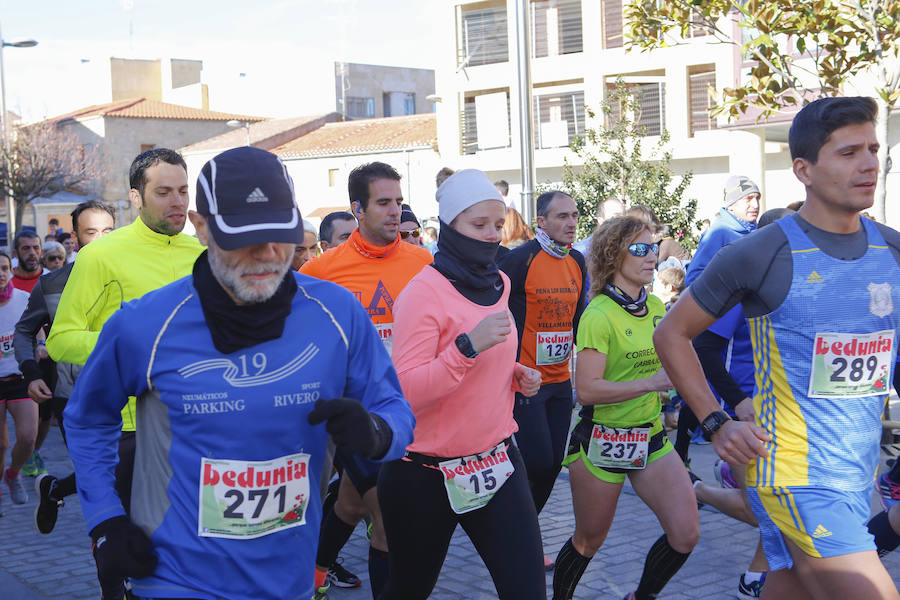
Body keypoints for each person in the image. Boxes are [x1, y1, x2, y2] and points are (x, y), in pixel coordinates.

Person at [62, 146, 415, 600]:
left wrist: (378, 433)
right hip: (177, 580)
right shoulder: (145, 324)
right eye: (245, 237)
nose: (267, 254)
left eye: (280, 235)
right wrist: (105, 520)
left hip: (288, 580)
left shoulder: (337, 313)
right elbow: (89, 418)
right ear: (202, 225)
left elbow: (394, 408)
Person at [654, 96, 900, 599]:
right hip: (792, 476)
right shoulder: (760, 251)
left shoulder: (892, 249)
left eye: (873, 149)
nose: (870, 163)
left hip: (856, 475)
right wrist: (714, 421)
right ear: (803, 169)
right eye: (849, 152)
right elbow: (671, 334)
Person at [379, 168, 545, 599]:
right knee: (409, 591)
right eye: (478, 225)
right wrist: (465, 349)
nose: (491, 235)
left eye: (497, 224)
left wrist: (513, 374)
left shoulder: (501, 282)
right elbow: (407, 389)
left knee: (527, 591)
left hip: (496, 461)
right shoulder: (423, 292)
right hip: (424, 473)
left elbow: (489, 361)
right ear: (450, 227)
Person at [47, 148, 203, 600]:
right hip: (128, 432)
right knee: (127, 563)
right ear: (136, 197)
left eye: (182, 190)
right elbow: (62, 339)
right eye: (163, 192)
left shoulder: (203, 252)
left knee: (184, 552)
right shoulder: (102, 256)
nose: (177, 202)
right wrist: (133, 350)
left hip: (196, 426)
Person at [301, 161, 432, 599]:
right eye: (383, 203)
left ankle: (316, 574)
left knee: (351, 504)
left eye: (398, 202)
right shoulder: (323, 270)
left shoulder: (422, 261)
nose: (395, 211)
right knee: (386, 514)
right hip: (353, 414)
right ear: (357, 208)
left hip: (406, 407)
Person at [553, 215, 699, 600]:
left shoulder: (653, 305)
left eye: (653, 247)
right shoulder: (598, 314)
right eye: (639, 249)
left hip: (648, 437)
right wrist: (651, 383)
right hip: (600, 442)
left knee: (686, 533)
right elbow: (586, 390)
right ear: (613, 255)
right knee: (589, 540)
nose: (651, 256)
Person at [15, 200, 116, 534]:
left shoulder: (132, 277)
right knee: (95, 474)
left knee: (118, 470)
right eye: (91, 232)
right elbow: (24, 330)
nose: (101, 240)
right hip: (70, 394)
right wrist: (30, 374)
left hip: (125, 392)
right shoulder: (52, 283)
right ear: (75, 237)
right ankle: (110, 567)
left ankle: (55, 489)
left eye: (108, 232)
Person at [498, 190, 586, 570]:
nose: (570, 223)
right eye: (562, 216)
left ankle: (519, 535)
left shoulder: (578, 260)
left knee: (552, 465)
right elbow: (495, 312)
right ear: (542, 222)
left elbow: (579, 318)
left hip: (560, 380)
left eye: (574, 216)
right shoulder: (520, 260)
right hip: (526, 380)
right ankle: (513, 534)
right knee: (538, 460)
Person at [0, 250, 36, 510]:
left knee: (27, 437)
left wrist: (42, 344)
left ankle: (13, 474)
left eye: (3, 268)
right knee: (0, 443)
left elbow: (39, 329)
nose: (0, 274)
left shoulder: (23, 299)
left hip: (19, 375)